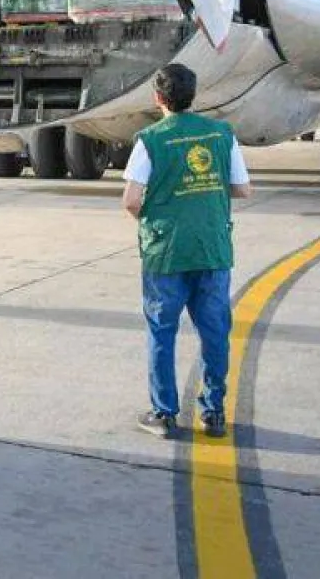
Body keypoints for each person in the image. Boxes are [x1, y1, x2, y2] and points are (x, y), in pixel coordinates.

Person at [121, 64, 253, 439]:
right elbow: (243, 189)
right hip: (212, 248)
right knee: (215, 332)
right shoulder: (222, 134)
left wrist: (154, 220)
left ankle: (163, 414)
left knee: (162, 331)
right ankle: (213, 413)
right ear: (194, 95)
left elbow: (131, 199)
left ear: (158, 98)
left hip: (166, 252)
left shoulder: (150, 139)